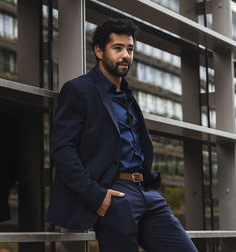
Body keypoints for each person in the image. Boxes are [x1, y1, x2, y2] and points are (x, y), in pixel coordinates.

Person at [47, 19, 198, 252]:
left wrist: (148, 188)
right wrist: (96, 196)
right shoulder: (80, 90)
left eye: (130, 49)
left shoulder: (127, 95)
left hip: (146, 193)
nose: (125, 55)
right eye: (117, 48)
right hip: (115, 194)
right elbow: (62, 150)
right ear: (99, 51)